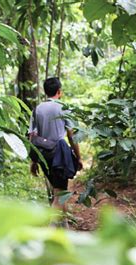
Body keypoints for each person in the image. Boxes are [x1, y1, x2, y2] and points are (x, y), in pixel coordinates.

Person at [29, 77, 82, 226]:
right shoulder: (63, 107)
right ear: (59, 91)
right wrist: (78, 157)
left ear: (45, 91)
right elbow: (71, 136)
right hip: (59, 153)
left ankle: (63, 227)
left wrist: (33, 161)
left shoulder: (37, 109)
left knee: (59, 191)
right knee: (60, 194)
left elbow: (32, 136)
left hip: (43, 154)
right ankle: (52, 227)